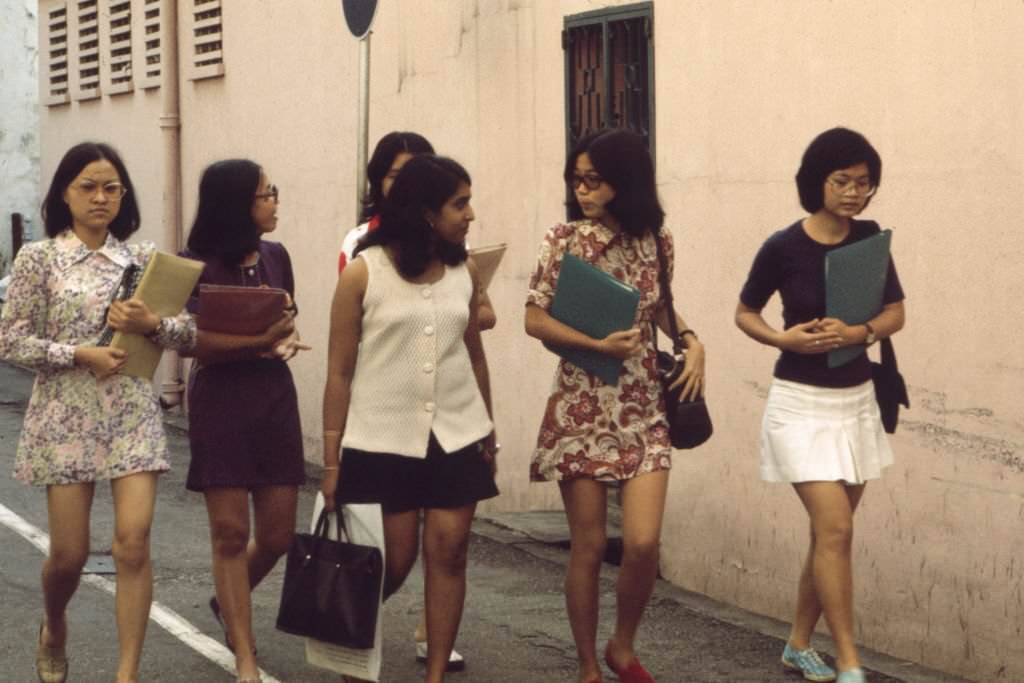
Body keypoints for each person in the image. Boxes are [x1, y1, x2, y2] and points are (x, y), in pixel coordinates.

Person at [0, 142, 196, 683]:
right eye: (88, 186)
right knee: (69, 555)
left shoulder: (143, 260)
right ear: (64, 192)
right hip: (63, 413)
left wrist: (152, 323)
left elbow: (188, 332)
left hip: (131, 411)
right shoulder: (39, 258)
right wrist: (77, 354)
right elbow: (10, 340)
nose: (100, 197)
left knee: (132, 543)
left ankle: (126, 674)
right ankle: (54, 621)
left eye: (111, 187)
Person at [524, 129, 706, 683]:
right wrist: (596, 345)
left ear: (622, 183)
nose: (582, 190)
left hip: (644, 405)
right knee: (588, 545)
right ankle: (587, 666)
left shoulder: (657, 240)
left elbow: (660, 310)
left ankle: (621, 646)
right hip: (582, 405)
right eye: (576, 179)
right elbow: (534, 318)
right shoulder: (563, 240)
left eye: (594, 180)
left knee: (645, 542)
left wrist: (693, 338)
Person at [734, 127, 905, 683]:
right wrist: (784, 340)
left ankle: (799, 644)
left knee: (827, 535)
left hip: (854, 401)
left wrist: (861, 330)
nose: (855, 193)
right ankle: (850, 661)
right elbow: (745, 313)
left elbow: (895, 313)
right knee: (836, 531)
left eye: (865, 183)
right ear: (817, 181)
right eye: (843, 181)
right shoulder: (783, 246)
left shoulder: (870, 240)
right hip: (800, 405)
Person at [322, 154, 499, 683]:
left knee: (450, 552)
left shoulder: (464, 272)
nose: (470, 214)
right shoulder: (362, 274)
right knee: (392, 562)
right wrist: (331, 460)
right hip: (380, 437)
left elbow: (474, 355)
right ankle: (347, 647)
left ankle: (436, 674)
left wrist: (489, 427)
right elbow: (338, 373)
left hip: (456, 433)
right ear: (425, 212)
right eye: (459, 203)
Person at [181, 159, 308, 683]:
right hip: (220, 402)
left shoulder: (277, 256)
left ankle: (226, 602)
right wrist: (257, 341)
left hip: (273, 396)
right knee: (231, 533)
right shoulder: (193, 264)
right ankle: (245, 656)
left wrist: (283, 336)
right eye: (265, 194)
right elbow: (194, 343)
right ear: (238, 204)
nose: (275, 201)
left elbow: (285, 316)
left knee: (277, 536)